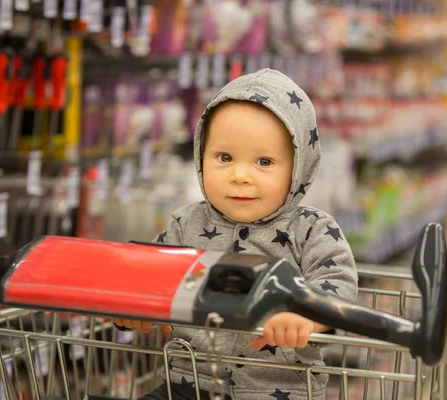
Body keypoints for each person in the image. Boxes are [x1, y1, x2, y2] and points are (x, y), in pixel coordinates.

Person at [113, 69, 358, 400]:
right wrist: (131, 305)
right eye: (224, 158)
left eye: (264, 162)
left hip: (279, 389)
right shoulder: (186, 224)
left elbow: (338, 284)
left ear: (299, 167)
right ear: (201, 155)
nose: (240, 176)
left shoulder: (313, 229)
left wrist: (308, 317)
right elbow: (148, 273)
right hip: (187, 384)